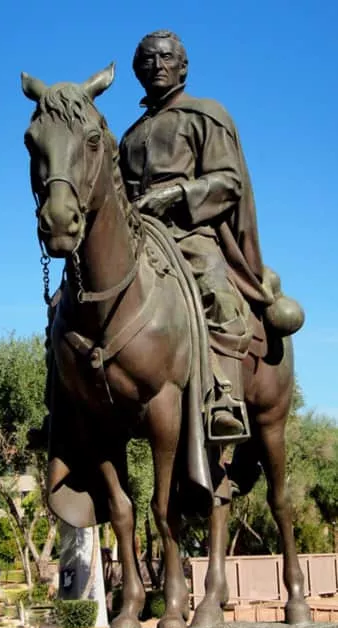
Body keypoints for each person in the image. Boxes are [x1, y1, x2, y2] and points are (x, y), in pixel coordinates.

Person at [119, 30, 300, 439]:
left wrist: (177, 194)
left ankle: (224, 399)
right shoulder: (129, 137)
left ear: (183, 67)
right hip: (137, 238)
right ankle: (64, 408)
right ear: (137, 71)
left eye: (167, 57)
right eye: (148, 59)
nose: (157, 65)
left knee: (218, 294)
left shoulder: (206, 115)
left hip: (190, 233)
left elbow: (229, 181)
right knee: (72, 298)